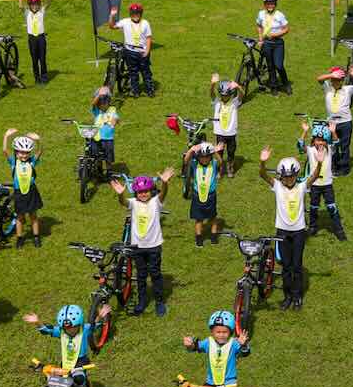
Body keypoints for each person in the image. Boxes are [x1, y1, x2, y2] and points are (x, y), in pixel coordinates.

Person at [112, 168, 175, 316]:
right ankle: (142, 301)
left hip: (154, 247)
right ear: (135, 193)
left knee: (155, 274)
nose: (143, 194)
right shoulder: (133, 203)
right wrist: (121, 194)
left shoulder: (155, 202)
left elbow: (163, 194)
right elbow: (123, 202)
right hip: (137, 248)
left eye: (146, 191)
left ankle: (159, 301)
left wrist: (165, 184)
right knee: (141, 275)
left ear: (151, 191)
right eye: (140, 192)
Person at [260, 150, 310, 308]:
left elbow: (314, 176)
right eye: (286, 176)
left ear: (296, 174)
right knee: (286, 266)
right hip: (282, 232)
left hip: (299, 232)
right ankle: (287, 295)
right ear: (281, 176)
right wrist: (263, 162)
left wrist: (321, 163)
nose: (289, 179)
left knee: (297, 265)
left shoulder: (302, 187)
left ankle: (297, 296)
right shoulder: (277, 187)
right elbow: (263, 175)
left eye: (292, 176)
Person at [300, 117, 349, 241]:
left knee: (332, 207)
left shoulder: (329, 150)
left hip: (327, 185)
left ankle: (339, 230)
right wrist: (305, 131)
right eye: (318, 140)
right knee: (313, 207)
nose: (320, 143)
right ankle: (312, 227)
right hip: (314, 185)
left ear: (327, 141)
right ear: (313, 140)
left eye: (323, 141)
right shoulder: (311, 151)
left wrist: (333, 132)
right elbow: (300, 146)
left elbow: (337, 144)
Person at [22, 302, 107, 373]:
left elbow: (93, 325)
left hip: (81, 361)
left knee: (79, 379)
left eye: (73, 328)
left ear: (79, 324)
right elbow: (47, 330)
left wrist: (99, 317)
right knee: (63, 379)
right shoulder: (61, 331)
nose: (69, 331)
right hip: (66, 361)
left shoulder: (84, 329)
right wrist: (37, 322)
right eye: (66, 329)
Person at [2, 128, 45, 248]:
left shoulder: (32, 162)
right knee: (20, 217)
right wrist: (6, 136)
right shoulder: (13, 162)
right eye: (21, 152)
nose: (24, 155)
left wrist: (38, 140)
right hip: (19, 193)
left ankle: (36, 237)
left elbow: (40, 151)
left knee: (33, 216)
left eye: (26, 153)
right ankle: (20, 238)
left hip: (31, 192)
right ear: (16, 152)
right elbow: (5, 150)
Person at [104, 1, 155, 96]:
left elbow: (148, 38)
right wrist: (111, 16)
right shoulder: (125, 21)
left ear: (141, 13)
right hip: (130, 51)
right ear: (130, 14)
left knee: (146, 72)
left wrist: (147, 51)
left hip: (142, 51)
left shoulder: (145, 23)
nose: (135, 15)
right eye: (133, 13)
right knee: (133, 72)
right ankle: (135, 91)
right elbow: (112, 26)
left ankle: (149, 90)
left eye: (137, 13)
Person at [319, 64, 353, 175]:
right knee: (332, 145)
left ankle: (344, 168)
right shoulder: (327, 87)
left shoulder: (348, 89)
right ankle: (334, 165)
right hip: (331, 122)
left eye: (338, 80)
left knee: (344, 146)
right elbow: (318, 78)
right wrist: (330, 74)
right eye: (334, 80)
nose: (335, 82)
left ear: (342, 81)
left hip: (345, 122)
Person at [182, 141, 225, 247]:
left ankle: (214, 237)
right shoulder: (194, 164)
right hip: (197, 196)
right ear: (198, 157)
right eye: (202, 157)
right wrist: (192, 149)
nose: (204, 159)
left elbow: (220, 162)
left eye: (207, 157)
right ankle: (199, 239)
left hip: (211, 195)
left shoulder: (213, 164)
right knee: (199, 219)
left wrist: (214, 151)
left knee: (213, 217)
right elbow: (186, 160)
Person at [255, 0, 291, 94]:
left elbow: (286, 29)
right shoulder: (261, 14)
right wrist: (260, 39)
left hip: (278, 43)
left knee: (278, 65)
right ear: (264, 4)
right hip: (266, 42)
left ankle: (286, 83)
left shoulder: (279, 15)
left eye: (272, 3)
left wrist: (275, 35)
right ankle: (273, 86)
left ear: (275, 4)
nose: (270, 5)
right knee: (270, 66)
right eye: (268, 3)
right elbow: (259, 26)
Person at [209, 75, 242, 175]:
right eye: (222, 95)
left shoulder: (234, 103)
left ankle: (230, 167)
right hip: (220, 133)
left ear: (231, 94)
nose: (224, 97)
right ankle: (220, 168)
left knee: (231, 152)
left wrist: (238, 87)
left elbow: (241, 95)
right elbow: (211, 94)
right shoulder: (217, 103)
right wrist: (213, 84)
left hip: (231, 133)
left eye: (227, 95)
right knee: (219, 152)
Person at [18, 0, 50, 84]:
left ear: (39, 5)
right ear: (29, 5)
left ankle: (44, 77)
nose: (34, 6)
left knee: (42, 58)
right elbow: (20, 6)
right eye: (32, 4)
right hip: (32, 38)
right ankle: (37, 78)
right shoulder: (27, 13)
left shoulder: (42, 11)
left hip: (41, 38)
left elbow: (48, 3)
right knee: (34, 59)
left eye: (36, 4)